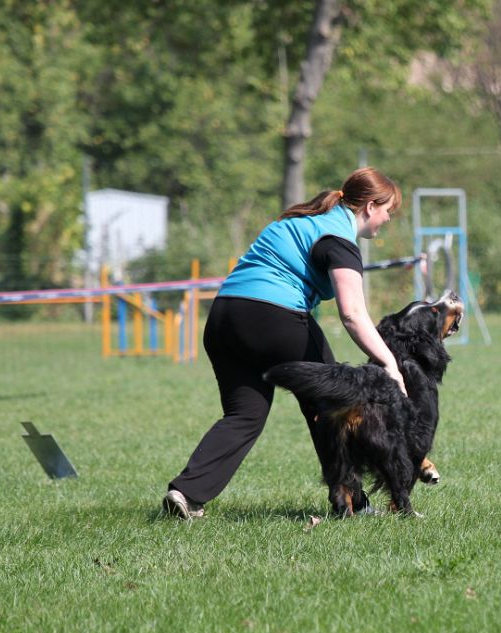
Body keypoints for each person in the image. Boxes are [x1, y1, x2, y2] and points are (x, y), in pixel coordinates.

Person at [162, 167, 406, 519]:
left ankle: (185, 493)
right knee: (336, 405)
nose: (386, 221)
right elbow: (352, 314)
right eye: (387, 212)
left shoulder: (301, 222)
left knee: (244, 414)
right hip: (273, 317)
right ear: (370, 206)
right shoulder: (338, 239)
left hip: (223, 317)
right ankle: (351, 503)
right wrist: (389, 363)